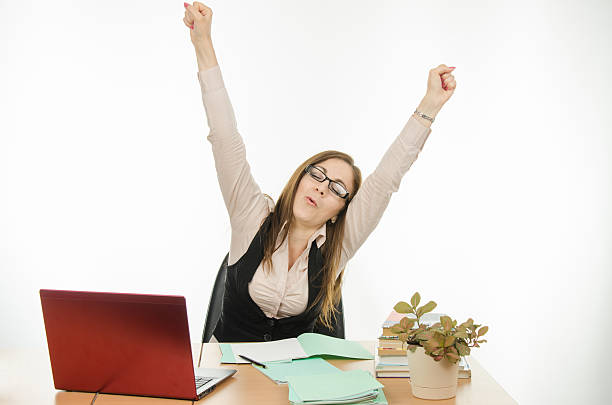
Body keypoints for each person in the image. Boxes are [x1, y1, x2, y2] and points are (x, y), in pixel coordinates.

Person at [183, 2, 457, 343]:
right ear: (301, 177)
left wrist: (430, 104)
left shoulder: (337, 248)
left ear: (342, 209)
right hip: (228, 376)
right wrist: (203, 43)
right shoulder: (251, 216)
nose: (323, 188)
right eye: (317, 174)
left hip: (293, 384)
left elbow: (386, 180)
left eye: (339, 189)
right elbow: (224, 137)